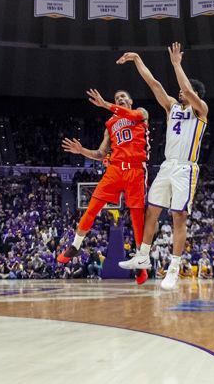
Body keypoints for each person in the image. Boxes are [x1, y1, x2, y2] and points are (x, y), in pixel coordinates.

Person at [116, 44, 209, 291]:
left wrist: (177, 64)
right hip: (168, 166)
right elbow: (154, 83)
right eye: (179, 92)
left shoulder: (201, 112)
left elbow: (188, 89)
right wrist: (137, 58)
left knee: (179, 217)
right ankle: (143, 253)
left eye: (184, 92)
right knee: (152, 211)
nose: (180, 93)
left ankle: (174, 267)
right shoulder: (172, 108)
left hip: (186, 169)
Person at [57, 89, 150, 285]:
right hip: (115, 169)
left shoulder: (140, 113)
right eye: (117, 98)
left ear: (131, 100)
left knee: (137, 217)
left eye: (124, 97)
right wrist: (81, 151)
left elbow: (132, 115)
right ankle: (75, 245)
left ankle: (142, 262)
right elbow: (100, 154)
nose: (120, 99)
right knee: (92, 206)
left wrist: (106, 104)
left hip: (135, 170)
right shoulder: (110, 125)